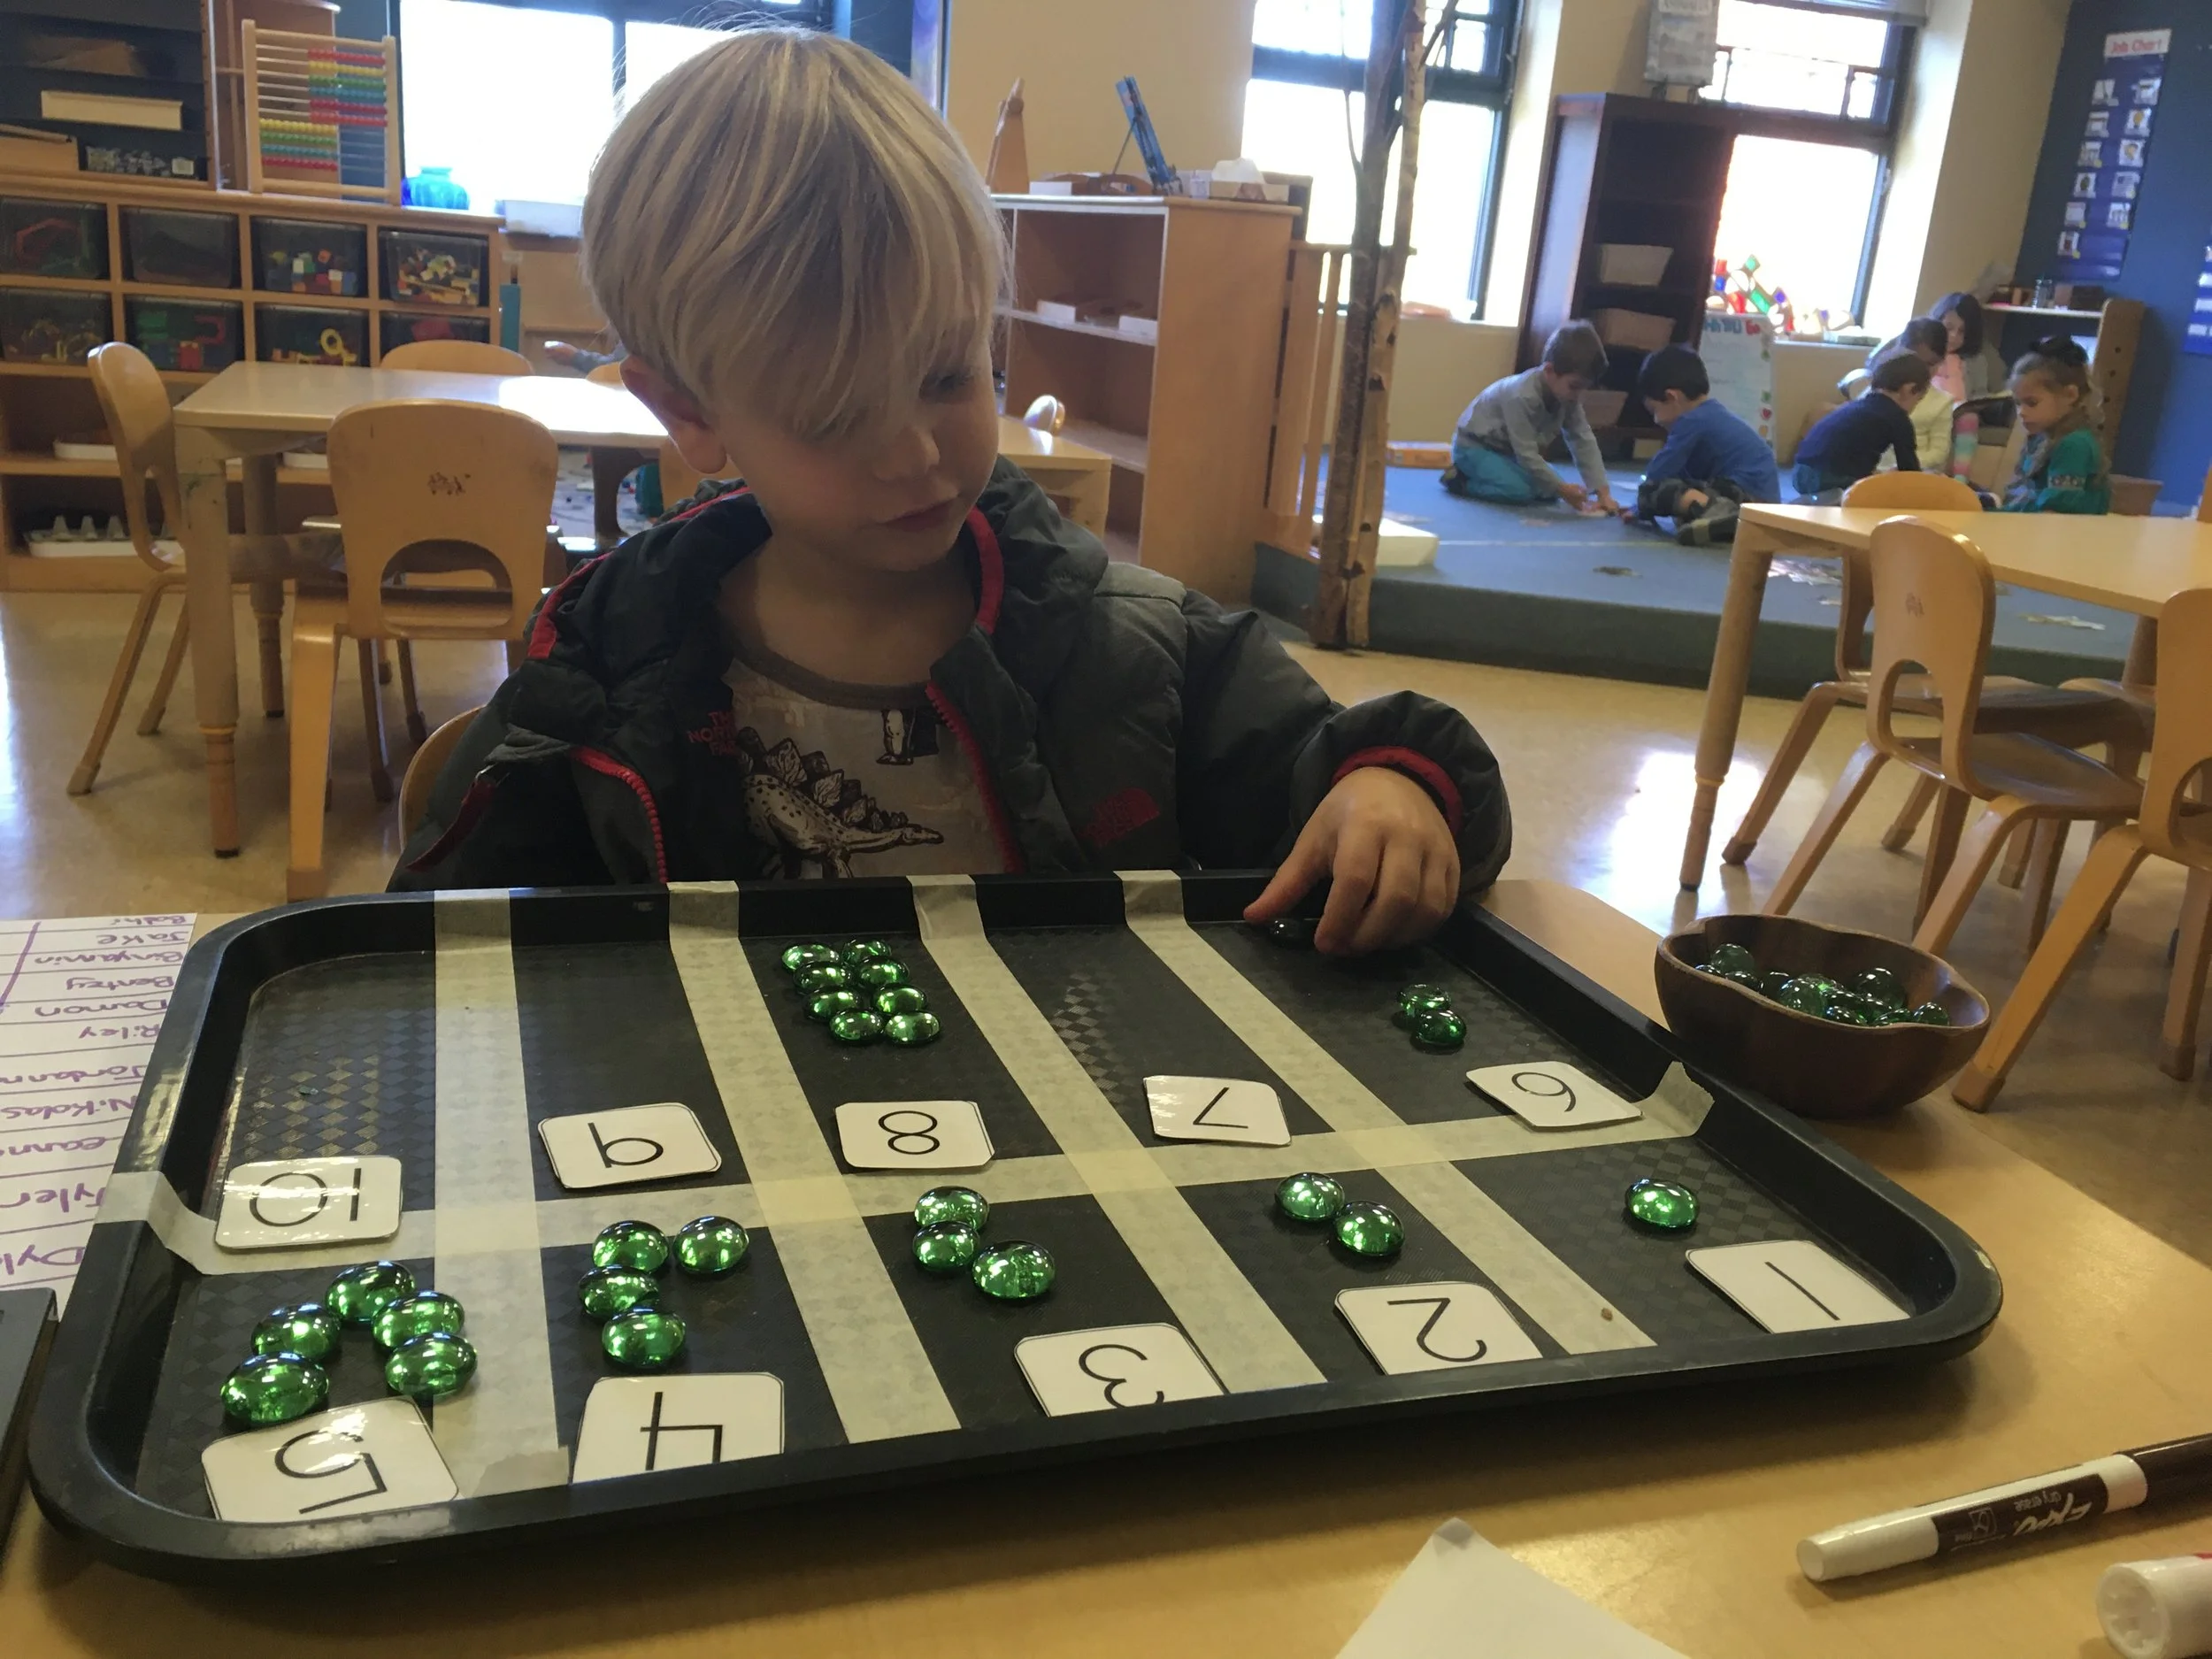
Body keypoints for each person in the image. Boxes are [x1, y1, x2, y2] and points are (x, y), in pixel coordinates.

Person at [391, 27, 1509, 956]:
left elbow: (1366, 753)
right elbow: (427, 966)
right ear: (691, 415)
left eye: (943, 376)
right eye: (836, 417)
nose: (914, 455)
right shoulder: (596, 670)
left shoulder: (1132, 647)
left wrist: (1392, 795)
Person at [1441, 322, 1618, 513]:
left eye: (1584, 388)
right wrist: (1561, 488)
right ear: (1549, 371)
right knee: (1518, 491)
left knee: (1548, 490)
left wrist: (1603, 493)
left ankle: (1506, 476)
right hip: (1475, 448)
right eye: (1574, 386)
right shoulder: (1521, 396)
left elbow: (1582, 439)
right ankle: (1460, 481)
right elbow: (1526, 454)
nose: (1578, 395)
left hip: (1507, 453)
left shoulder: (1567, 397)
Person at [1618, 345, 1779, 546]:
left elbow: (1659, 472)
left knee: (1656, 491)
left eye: (1655, 410)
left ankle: (1719, 512)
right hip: (1760, 500)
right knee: (1679, 490)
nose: (1656, 421)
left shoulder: (1691, 421)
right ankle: (1723, 518)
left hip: (1744, 495)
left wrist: (1640, 505)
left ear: (1671, 397)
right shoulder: (1711, 413)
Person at [1790, 353, 1930, 502]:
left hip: (1801, 471)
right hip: (1831, 477)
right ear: (1909, 390)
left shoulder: (1859, 406)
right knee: (1882, 495)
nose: (1915, 406)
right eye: (1918, 399)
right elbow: (1910, 471)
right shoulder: (1898, 418)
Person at [1999, 336, 2109, 514]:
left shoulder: (2073, 444)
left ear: (2070, 395)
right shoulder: (2042, 437)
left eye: (2032, 403)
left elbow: (2055, 515)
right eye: (2018, 403)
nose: (2022, 412)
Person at [1929, 292, 2007, 401]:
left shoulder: (1976, 361)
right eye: (1949, 327)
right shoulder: (1921, 354)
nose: (1953, 336)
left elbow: (1980, 397)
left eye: (1962, 331)